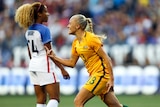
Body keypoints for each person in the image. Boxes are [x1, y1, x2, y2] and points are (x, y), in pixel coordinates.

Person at [45, 14, 128, 107]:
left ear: (77, 26)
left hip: (101, 75)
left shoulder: (91, 39)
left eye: (70, 23)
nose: (68, 26)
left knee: (78, 101)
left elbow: (107, 58)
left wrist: (111, 79)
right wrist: (54, 57)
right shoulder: (76, 42)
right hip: (94, 75)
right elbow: (72, 63)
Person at [15, 2, 70, 107]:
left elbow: (29, 52)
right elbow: (50, 53)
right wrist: (62, 69)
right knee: (55, 98)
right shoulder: (44, 29)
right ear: (39, 14)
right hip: (44, 64)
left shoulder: (29, 30)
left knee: (41, 100)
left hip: (33, 65)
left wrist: (35, 62)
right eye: (45, 11)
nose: (48, 14)